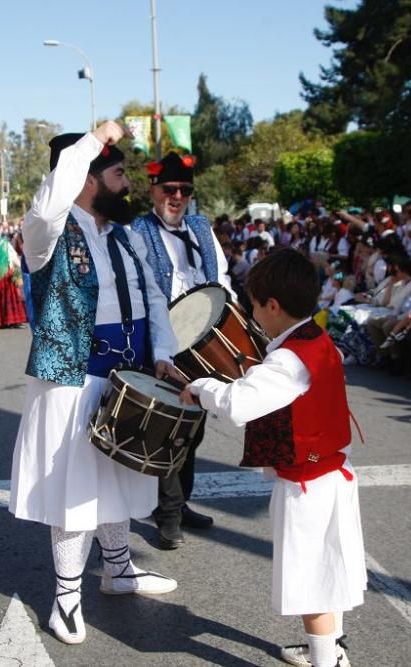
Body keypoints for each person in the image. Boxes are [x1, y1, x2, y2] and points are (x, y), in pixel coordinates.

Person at [9, 123, 180, 646]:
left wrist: (165, 355)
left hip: (126, 377)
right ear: (85, 178)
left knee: (117, 477)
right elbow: (48, 203)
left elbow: (153, 298)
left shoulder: (124, 237)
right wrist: (90, 142)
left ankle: (118, 569)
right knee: (77, 490)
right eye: (118, 172)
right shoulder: (47, 233)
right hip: (74, 380)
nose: (126, 181)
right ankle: (65, 600)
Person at [180, 248, 365, 667]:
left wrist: (202, 386)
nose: (251, 313)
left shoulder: (288, 360)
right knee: (325, 573)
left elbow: (238, 403)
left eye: (254, 306)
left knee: (312, 583)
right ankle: (329, 649)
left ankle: (326, 661)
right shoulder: (314, 338)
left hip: (308, 485)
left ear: (273, 306)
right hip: (329, 474)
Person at [130, 151, 231, 548]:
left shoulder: (202, 228)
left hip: (201, 344)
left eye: (184, 191)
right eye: (169, 189)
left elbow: (220, 279)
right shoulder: (137, 230)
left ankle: (180, 503)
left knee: (195, 431)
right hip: (162, 344)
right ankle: (167, 514)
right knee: (170, 430)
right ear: (153, 189)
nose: (176, 197)